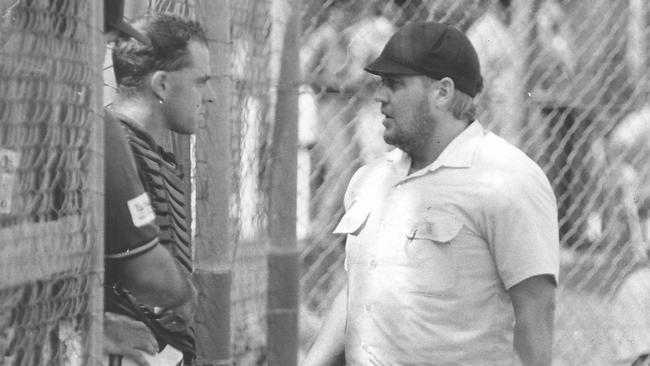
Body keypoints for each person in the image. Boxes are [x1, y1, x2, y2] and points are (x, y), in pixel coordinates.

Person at [303, 22, 559, 366]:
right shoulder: (370, 180)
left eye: (394, 84)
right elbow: (358, 289)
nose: (379, 96)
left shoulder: (508, 180)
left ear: (442, 92)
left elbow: (534, 319)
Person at [103, 10, 215, 366]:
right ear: (162, 84)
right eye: (200, 81)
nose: (209, 96)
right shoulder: (113, 148)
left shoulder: (149, 150)